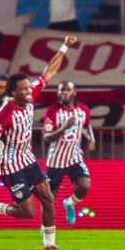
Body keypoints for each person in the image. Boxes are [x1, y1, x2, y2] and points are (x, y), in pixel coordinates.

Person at [0, 35, 78, 250]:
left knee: (48, 198)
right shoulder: (5, 114)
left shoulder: (30, 95)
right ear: (13, 92)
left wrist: (64, 47)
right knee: (28, 212)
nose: (29, 90)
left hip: (28, 159)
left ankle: (49, 245)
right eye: (24, 89)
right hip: (9, 166)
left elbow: (49, 72)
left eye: (29, 87)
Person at [43, 81, 95, 226]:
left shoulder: (84, 110)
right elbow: (47, 137)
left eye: (67, 90)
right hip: (56, 159)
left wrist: (92, 139)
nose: (64, 92)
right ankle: (46, 227)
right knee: (50, 198)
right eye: (61, 90)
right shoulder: (52, 111)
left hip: (74, 157)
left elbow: (87, 125)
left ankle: (69, 203)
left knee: (85, 185)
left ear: (74, 92)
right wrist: (64, 128)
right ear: (57, 93)